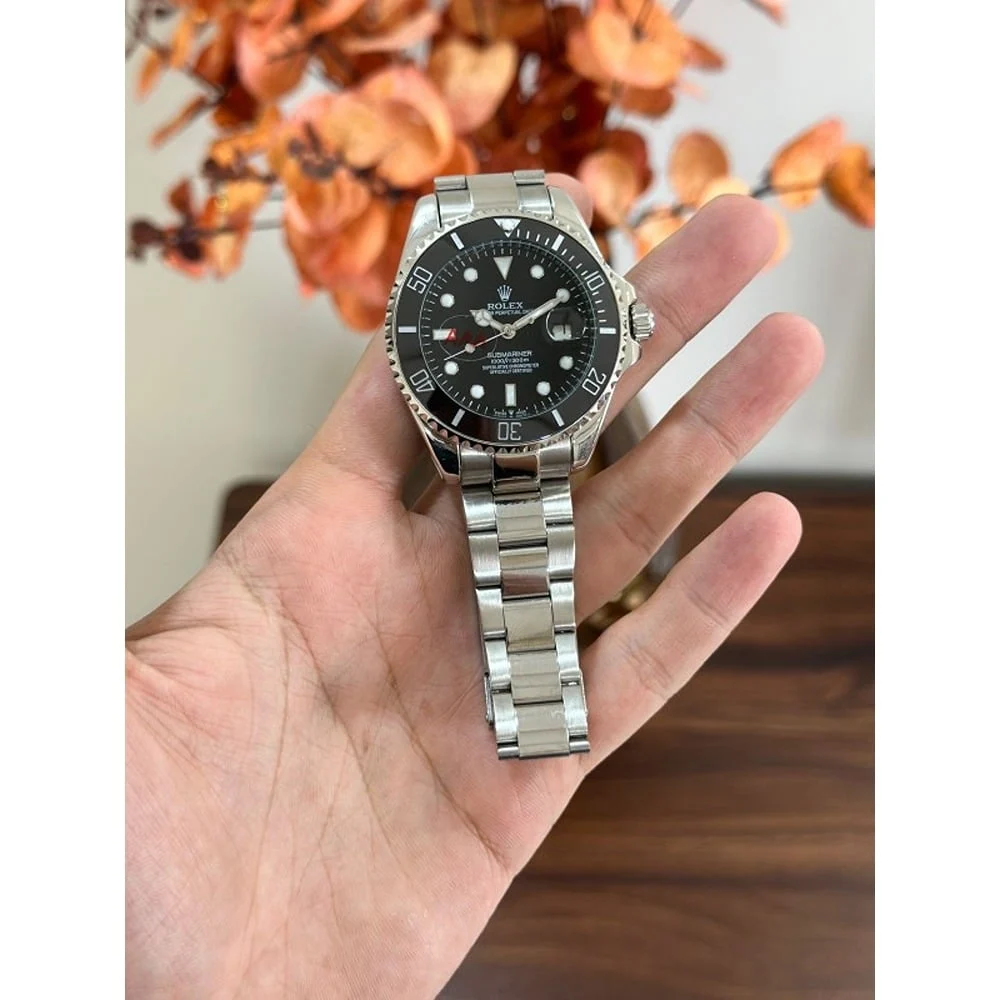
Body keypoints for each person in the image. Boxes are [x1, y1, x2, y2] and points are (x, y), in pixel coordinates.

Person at [126, 182, 824, 998]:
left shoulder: (522, 309)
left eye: (530, 322)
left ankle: (537, 714)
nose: (510, 333)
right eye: (495, 328)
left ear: (621, 324)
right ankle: (533, 712)